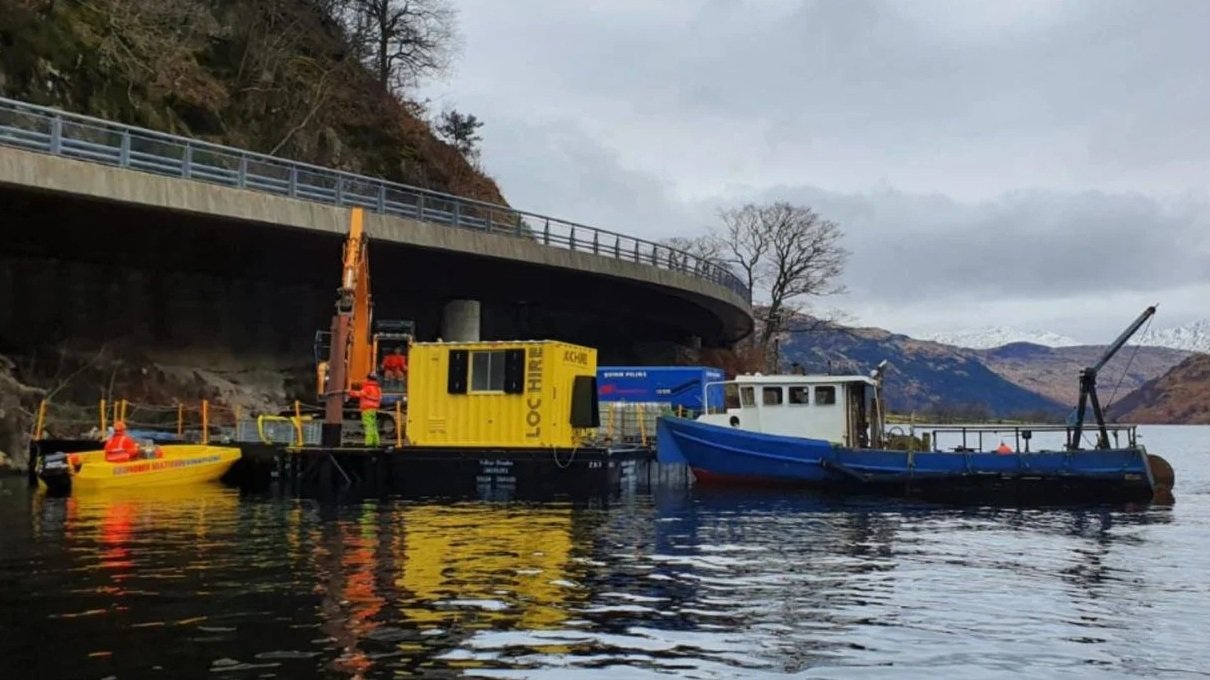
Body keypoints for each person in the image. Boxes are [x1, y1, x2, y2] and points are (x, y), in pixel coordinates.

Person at [349, 373, 382, 446]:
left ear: (368, 379)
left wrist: (350, 392)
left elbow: (360, 394)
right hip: (374, 409)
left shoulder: (368, 387)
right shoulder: (377, 388)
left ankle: (369, 443)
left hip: (367, 409)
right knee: (373, 426)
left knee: (368, 426)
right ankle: (376, 442)